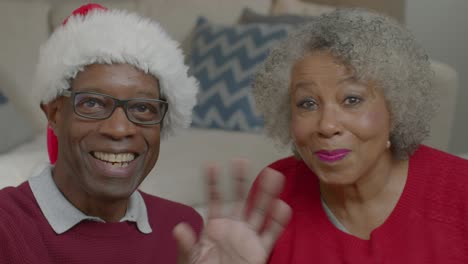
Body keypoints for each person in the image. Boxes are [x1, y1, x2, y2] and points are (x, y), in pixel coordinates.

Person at [0, 4, 291, 263]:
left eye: (142, 108)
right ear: (55, 114)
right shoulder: (6, 227)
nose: (119, 129)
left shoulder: (183, 229)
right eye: (92, 103)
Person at [250, 8, 468, 263]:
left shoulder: (459, 192)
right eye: (307, 103)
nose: (327, 125)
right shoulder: (275, 192)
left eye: (352, 99)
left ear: (395, 109)